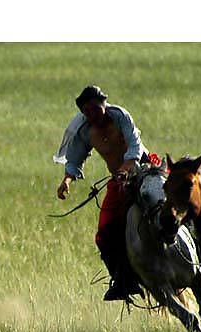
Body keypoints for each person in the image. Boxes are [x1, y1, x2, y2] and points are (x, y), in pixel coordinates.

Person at [53, 85, 150, 301]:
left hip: (142, 171)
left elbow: (134, 146)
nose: (92, 115)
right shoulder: (86, 132)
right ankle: (122, 280)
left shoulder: (121, 117)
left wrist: (126, 169)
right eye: (87, 112)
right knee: (104, 235)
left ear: (104, 105)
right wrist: (67, 180)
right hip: (119, 182)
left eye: (96, 109)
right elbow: (75, 157)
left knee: (170, 205)